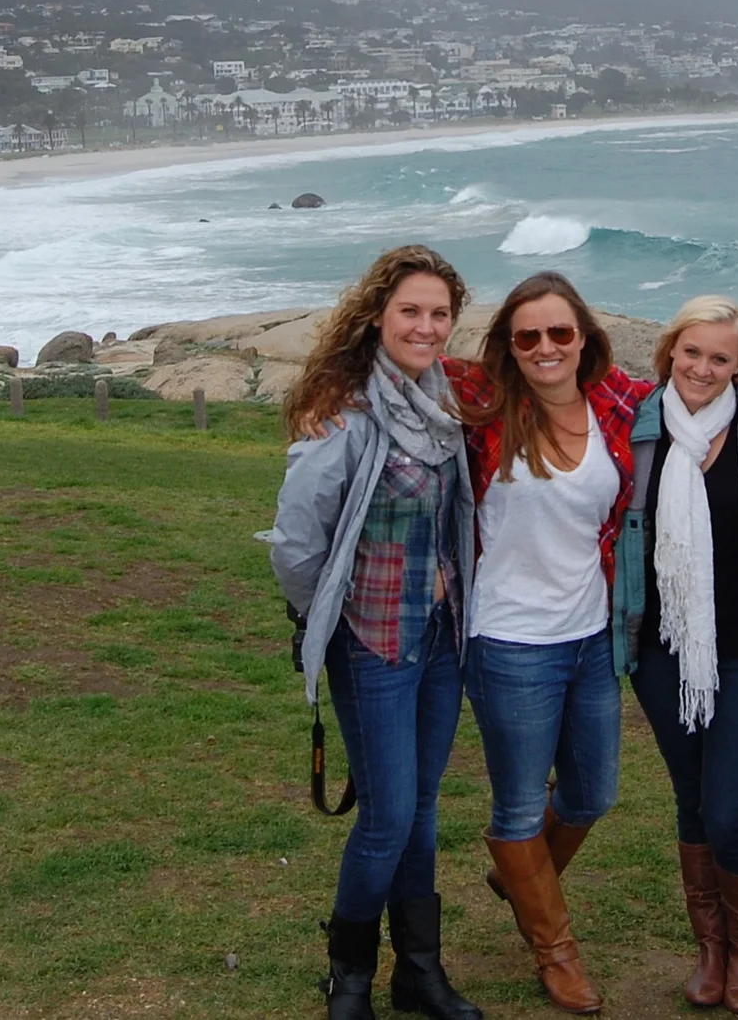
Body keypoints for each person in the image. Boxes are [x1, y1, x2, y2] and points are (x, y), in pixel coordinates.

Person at [267, 246, 486, 1020]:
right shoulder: (351, 412)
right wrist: (318, 614)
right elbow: (297, 539)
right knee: (389, 815)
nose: (426, 327)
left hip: (437, 639)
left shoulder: (446, 399)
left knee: (420, 812)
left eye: (438, 314)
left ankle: (418, 973)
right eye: (410, 312)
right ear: (377, 318)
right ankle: (349, 977)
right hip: (371, 643)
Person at [447, 271, 640, 1015]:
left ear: (584, 337)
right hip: (508, 640)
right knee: (520, 810)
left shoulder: (617, 401)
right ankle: (555, 951)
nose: (546, 347)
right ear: (509, 346)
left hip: (590, 635)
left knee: (592, 794)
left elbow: (703, 386)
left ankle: (521, 876)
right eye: (527, 336)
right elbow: (398, 366)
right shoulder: (482, 405)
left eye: (560, 332)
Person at [612, 296, 738, 1013]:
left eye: (720, 358)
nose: (701, 368)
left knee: (730, 809)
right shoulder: (635, 425)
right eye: (690, 353)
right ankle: (711, 951)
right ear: (669, 353)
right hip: (663, 653)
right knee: (692, 804)